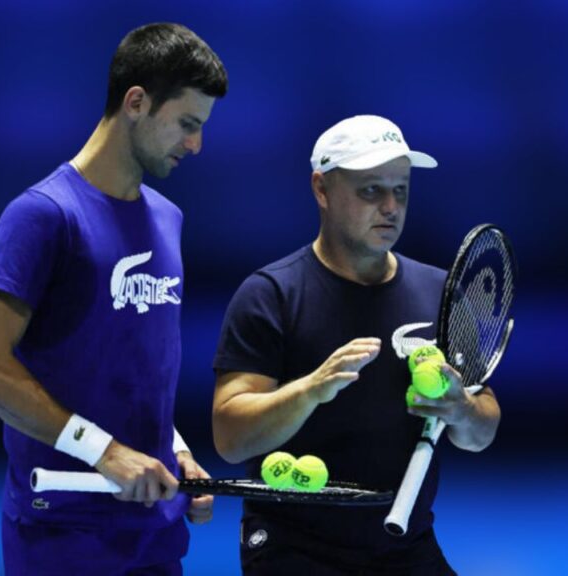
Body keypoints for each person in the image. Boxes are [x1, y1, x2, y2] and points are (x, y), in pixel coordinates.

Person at [0, 23, 227, 575]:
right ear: (136, 103)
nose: (196, 145)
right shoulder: (42, 215)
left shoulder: (169, 219)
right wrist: (103, 451)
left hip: (155, 535)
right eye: (187, 124)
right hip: (63, 534)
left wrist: (173, 449)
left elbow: (135, 367)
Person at [211, 115, 502, 575]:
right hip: (293, 550)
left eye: (400, 190)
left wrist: (460, 408)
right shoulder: (270, 295)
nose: (390, 206)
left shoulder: (440, 292)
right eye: (371, 190)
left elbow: (481, 432)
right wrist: (309, 390)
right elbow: (229, 437)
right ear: (321, 189)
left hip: (406, 546)